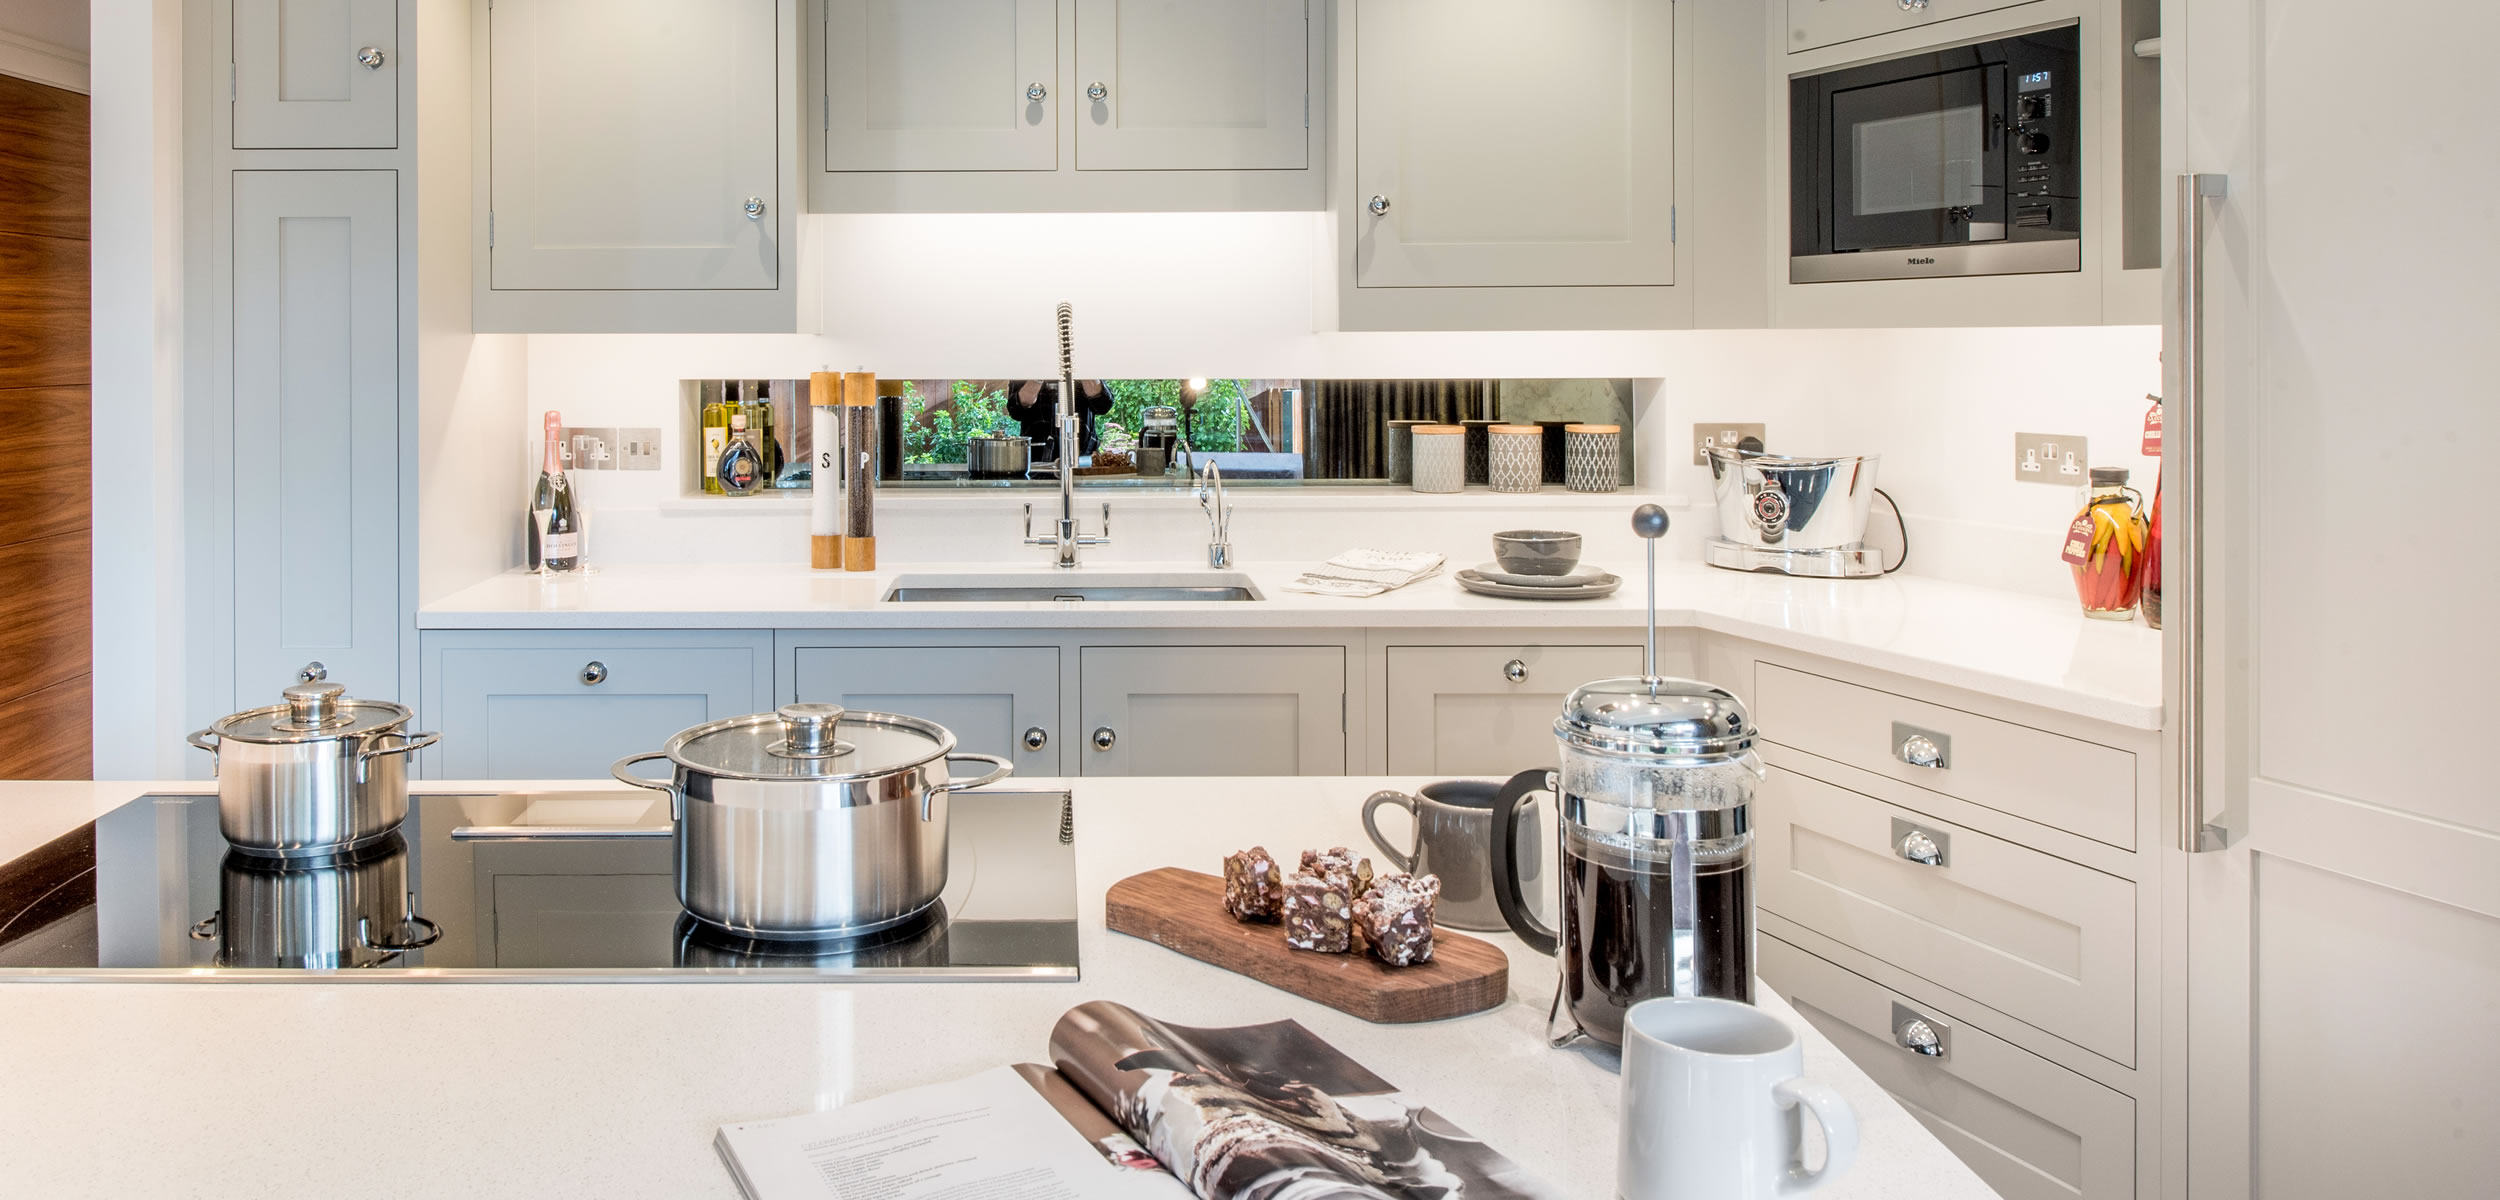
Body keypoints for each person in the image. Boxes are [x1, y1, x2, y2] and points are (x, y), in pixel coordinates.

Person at [1007, 379, 1113, 466]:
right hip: (1037, 461)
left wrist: (1083, 369)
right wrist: (1038, 376)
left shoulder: (1084, 361)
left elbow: (1103, 405)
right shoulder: (1027, 363)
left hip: (1082, 458)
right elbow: (1015, 410)